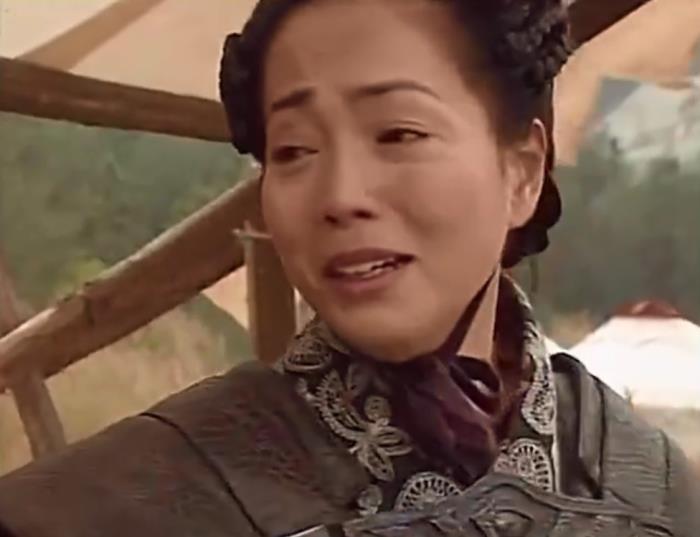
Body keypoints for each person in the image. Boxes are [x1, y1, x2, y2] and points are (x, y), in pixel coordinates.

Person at [0, 1, 697, 536]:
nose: (339, 195)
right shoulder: (111, 503)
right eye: (294, 150)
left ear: (522, 173)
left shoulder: (654, 492)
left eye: (398, 133)